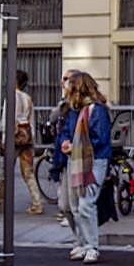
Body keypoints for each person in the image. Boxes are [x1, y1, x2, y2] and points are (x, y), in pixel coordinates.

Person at [59, 72, 111, 265]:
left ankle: (91, 246)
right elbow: (66, 132)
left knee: (85, 203)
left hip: (93, 160)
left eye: (69, 85)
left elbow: (100, 138)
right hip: (77, 158)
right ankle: (83, 243)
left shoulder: (97, 110)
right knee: (74, 205)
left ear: (77, 88)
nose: (65, 88)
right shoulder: (74, 109)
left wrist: (74, 145)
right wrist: (65, 142)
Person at [47, 70, 79, 232]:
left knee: (77, 205)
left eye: (67, 79)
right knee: (65, 204)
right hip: (65, 155)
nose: (63, 82)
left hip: (78, 158)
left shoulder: (80, 107)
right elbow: (54, 118)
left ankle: (85, 242)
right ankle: (80, 240)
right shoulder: (65, 105)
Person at [13, 70, 46, 215]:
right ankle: (37, 203)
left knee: (5, 171)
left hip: (14, 137)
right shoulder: (28, 98)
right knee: (28, 172)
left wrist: (3, 137)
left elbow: (9, 118)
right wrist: (31, 136)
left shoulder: (12, 96)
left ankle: (1, 201)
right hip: (26, 137)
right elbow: (31, 120)